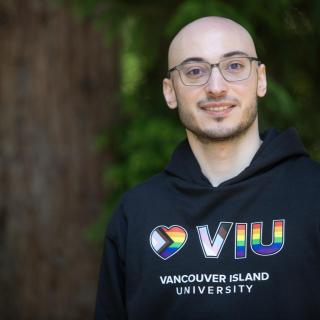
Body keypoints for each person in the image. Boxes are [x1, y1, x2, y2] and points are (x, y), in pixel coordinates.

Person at [94, 16, 320, 320]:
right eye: (195, 71)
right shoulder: (137, 213)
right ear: (170, 92)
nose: (216, 87)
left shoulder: (313, 194)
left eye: (235, 66)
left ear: (261, 79)